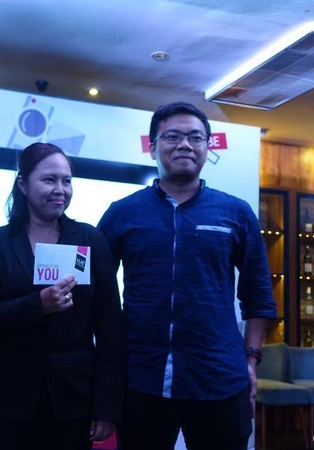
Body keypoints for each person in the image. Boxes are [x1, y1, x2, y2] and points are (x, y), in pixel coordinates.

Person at [97, 102, 276, 450]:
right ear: (152, 147)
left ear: (208, 147)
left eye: (196, 137)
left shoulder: (236, 213)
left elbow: (258, 295)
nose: (185, 144)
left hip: (219, 378)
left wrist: (251, 359)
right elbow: (98, 293)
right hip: (141, 377)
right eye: (173, 136)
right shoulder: (122, 213)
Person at [0, 143, 123, 450]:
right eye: (49, 180)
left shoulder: (90, 239)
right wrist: (36, 306)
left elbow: (110, 326)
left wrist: (106, 407)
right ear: (23, 184)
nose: (60, 190)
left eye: (66, 181)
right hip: (7, 400)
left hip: (73, 400)